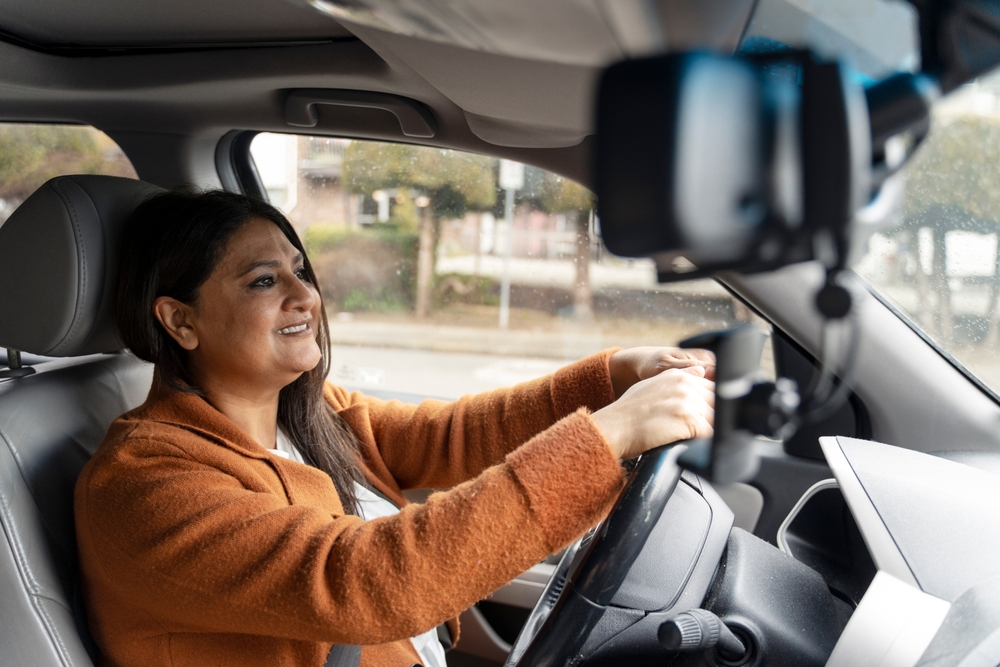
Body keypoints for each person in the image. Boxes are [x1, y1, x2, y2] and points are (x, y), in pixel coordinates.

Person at [74, 190, 715, 667]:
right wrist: (608, 438)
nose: (306, 297)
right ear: (180, 322)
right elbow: (369, 583)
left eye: (300, 270)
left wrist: (613, 378)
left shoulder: (305, 411)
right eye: (264, 281)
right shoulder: (144, 486)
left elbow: (456, 435)